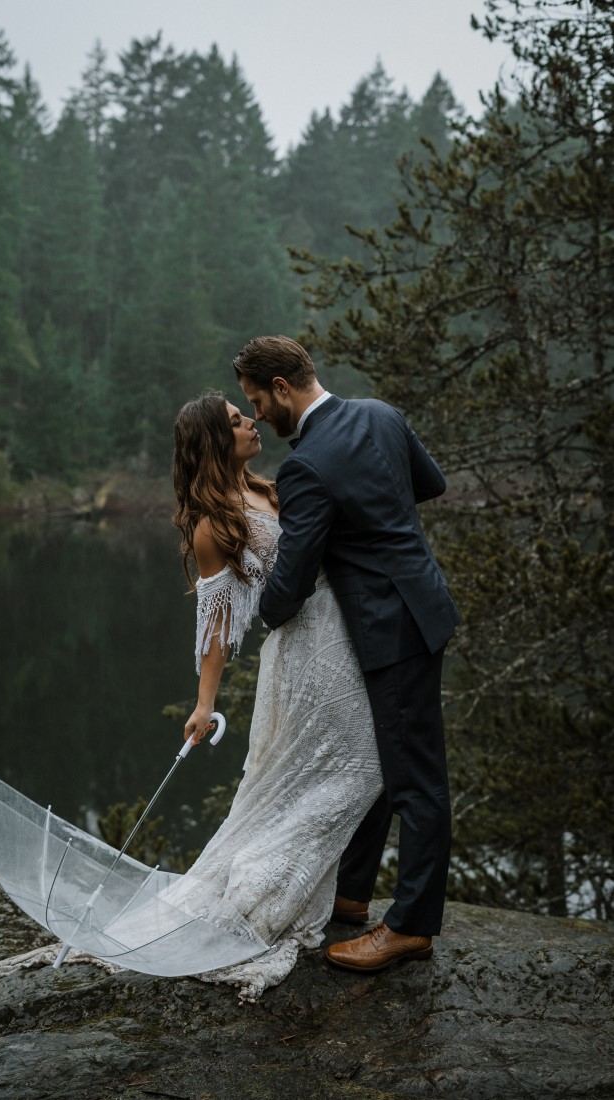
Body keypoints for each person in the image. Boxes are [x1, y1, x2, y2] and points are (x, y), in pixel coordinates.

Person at [233, 334, 460, 974]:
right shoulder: (382, 414)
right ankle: (353, 894)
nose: (257, 416)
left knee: (414, 779)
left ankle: (411, 926)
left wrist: (263, 613)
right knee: (382, 757)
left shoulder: (307, 465)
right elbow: (430, 484)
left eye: (257, 400)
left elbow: (295, 577)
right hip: (420, 604)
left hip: (390, 627)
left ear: (282, 388)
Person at [169, 391, 384, 999]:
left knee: (352, 768)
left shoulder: (270, 489)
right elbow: (215, 623)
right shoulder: (214, 525)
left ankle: (295, 882)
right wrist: (204, 702)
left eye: (248, 413)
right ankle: (263, 885)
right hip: (303, 656)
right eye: (237, 421)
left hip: (344, 634)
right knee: (363, 766)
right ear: (215, 439)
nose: (251, 423)